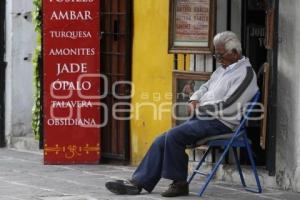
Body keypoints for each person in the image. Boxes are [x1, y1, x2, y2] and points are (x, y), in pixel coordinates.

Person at [105, 31, 258, 197]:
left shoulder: (245, 74)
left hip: (222, 122)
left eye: (220, 55)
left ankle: (180, 183)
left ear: (235, 53)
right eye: (216, 54)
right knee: (161, 140)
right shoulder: (222, 70)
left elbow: (230, 105)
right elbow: (205, 87)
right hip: (204, 118)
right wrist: (194, 100)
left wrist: (200, 109)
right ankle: (137, 183)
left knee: (173, 136)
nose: (218, 59)